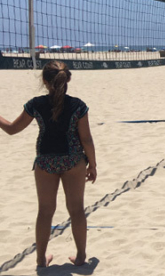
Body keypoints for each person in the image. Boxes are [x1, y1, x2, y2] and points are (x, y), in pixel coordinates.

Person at [0, 61, 97, 268]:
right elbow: (86, 139)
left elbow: (10, 129)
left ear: (44, 81)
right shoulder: (78, 105)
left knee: (45, 211)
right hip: (73, 160)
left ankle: (40, 259)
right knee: (77, 210)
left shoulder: (35, 104)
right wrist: (93, 165)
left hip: (45, 161)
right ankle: (80, 258)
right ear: (68, 79)